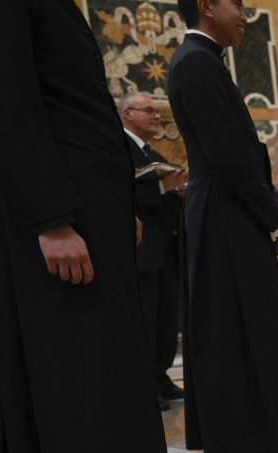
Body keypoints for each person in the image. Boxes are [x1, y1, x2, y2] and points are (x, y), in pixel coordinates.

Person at [0, 0, 189, 453]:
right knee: (83, 364)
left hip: (92, 203)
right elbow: (10, 104)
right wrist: (51, 218)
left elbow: (77, 104)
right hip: (64, 210)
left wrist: (119, 201)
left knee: (116, 356)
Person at [168, 0, 278, 453]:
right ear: (206, 5)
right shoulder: (194, 62)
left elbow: (241, 155)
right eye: (237, 4)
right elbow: (229, 155)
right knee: (229, 331)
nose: (245, 15)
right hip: (224, 211)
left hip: (230, 207)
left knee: (250, 326)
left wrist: (276, 210)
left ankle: (259, 440)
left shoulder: (203, 61)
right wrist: (274, 218)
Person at [120, 92, 189, 411]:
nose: (156, 116)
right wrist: (164, 185)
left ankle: (160, 375)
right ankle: (145, 383)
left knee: (164, 320)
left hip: (165, 250)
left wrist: (177, 190)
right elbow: (122, 191)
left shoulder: (153, 153)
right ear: (127, 114)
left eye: (157, 111)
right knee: (146, 320)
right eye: (148, 111)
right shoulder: (119, 149)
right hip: (140, 250)